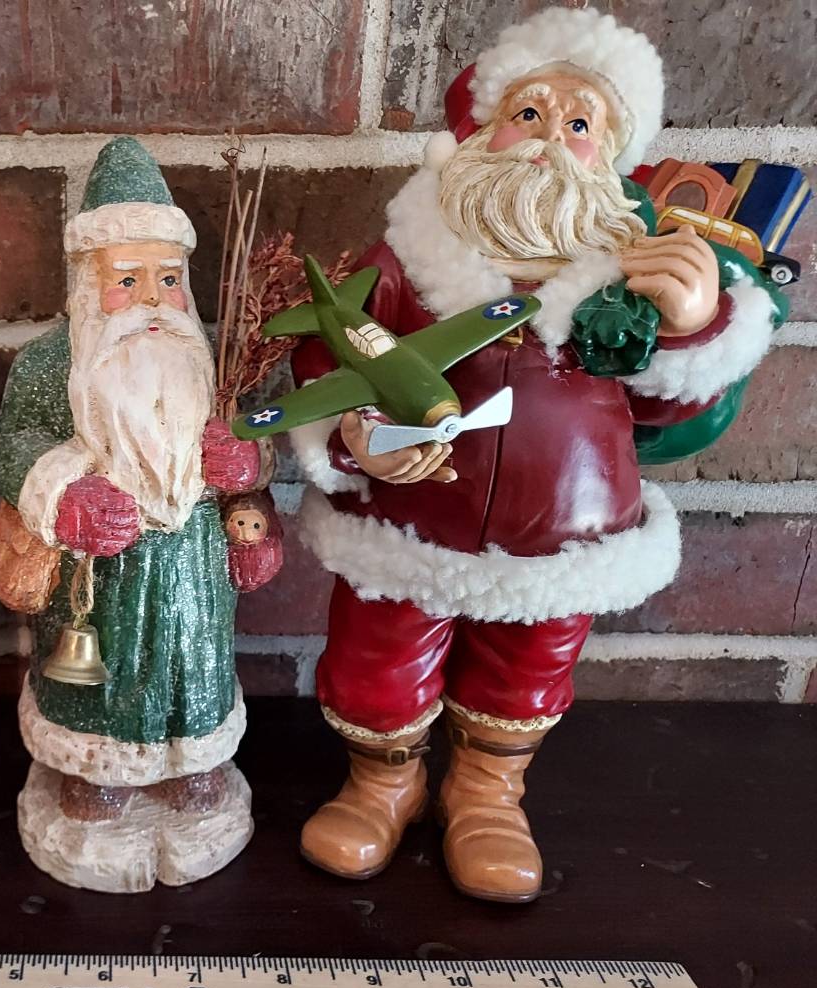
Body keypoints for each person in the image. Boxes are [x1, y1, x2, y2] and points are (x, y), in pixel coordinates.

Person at [289, 8, 786, 903]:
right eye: (529, 112)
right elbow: (333, 353)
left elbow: (673, 414)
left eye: (580, 122)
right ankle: (381, 784)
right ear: (482, 130)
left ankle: (487, 793)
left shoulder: (630, 276)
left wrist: (692, 326)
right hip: (411, 522)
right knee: (377, 658)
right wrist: (357, 437)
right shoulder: (408, 257)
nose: (551, 136)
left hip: (565, 531)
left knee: (527, 669)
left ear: (611, 158)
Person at [0, 137, 281, 892]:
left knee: (194, 664)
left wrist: (249, 461)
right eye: (127, 279)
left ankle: (193, 762)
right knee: (100, 675)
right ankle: (96, 771)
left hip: (192, 559)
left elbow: (259, 431)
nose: (152, 298)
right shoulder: (51, 364)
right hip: (97, 570)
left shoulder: (215, 359)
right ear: (89, 285)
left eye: (168, 278)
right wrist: (64, 492)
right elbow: (14, 444)